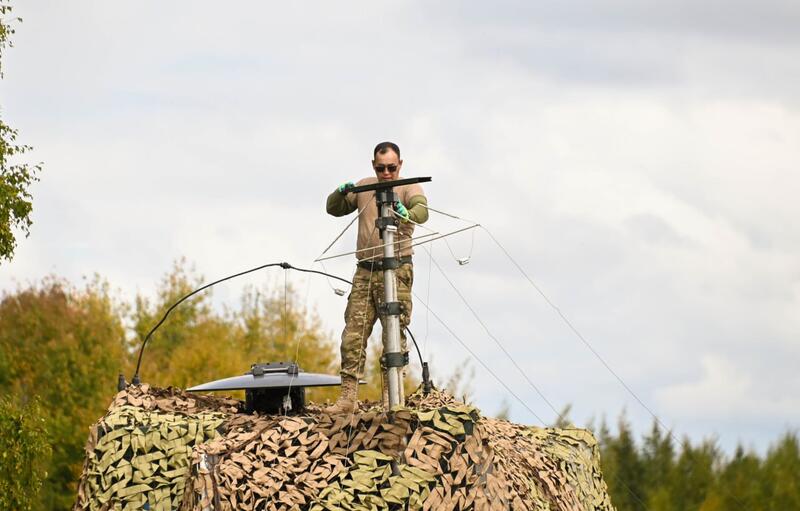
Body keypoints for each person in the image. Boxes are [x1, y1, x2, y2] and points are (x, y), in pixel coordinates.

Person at [324, 141, 429, 413]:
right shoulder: (366, 186)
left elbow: (422, 210)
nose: (386, 173)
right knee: (353, 334)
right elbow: (334, 208)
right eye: (381, 168)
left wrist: (407, 214)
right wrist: (340, 192)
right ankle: (348, 397)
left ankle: (391, 396)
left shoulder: (408, 187)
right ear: (374, 165)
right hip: (366, 270)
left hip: (396, 269)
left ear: (400, 164)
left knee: (393, 333)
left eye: (391, 168)